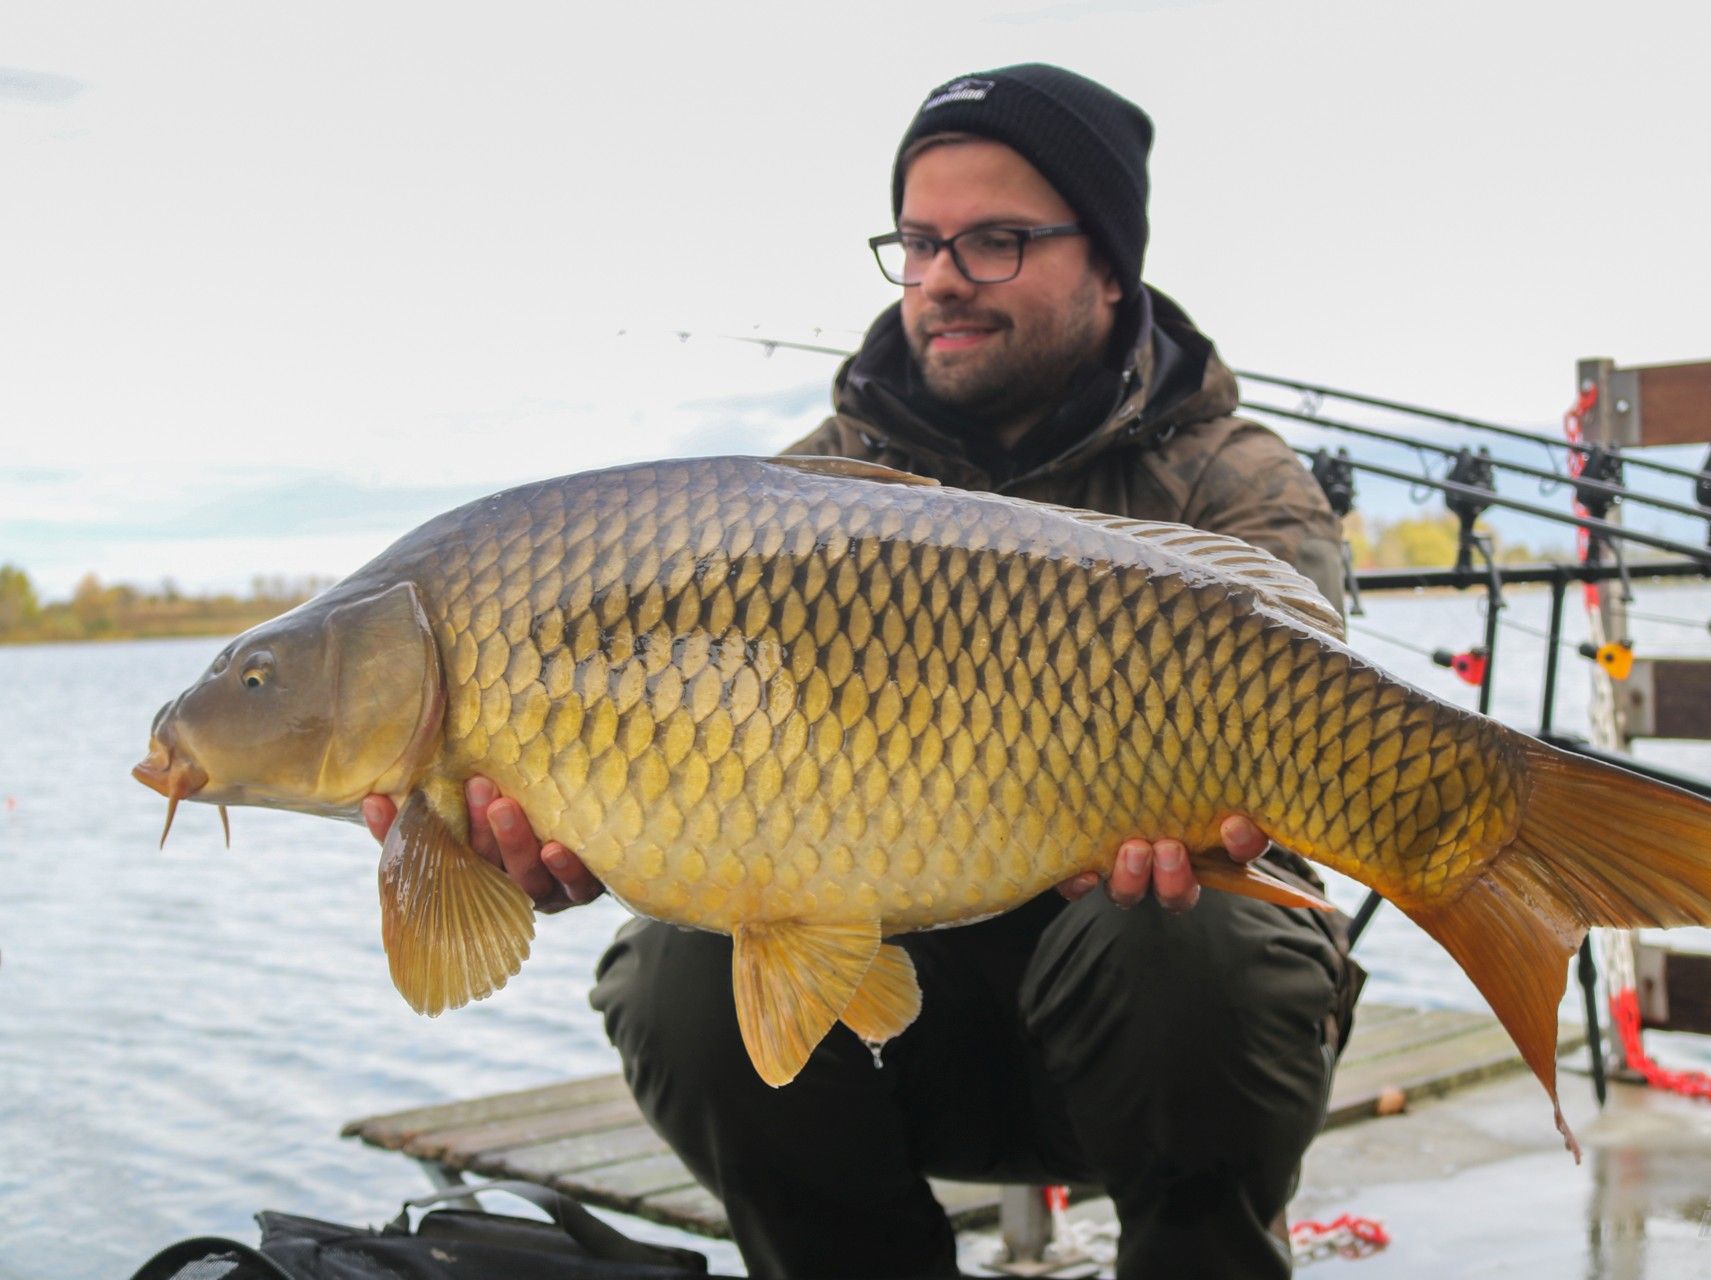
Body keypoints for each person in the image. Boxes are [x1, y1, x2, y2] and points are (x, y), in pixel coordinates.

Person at [366, 63, 1357, 1279]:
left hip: (1156, 1040)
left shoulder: (1232, 483)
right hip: (904, 1034)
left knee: (1178, 934)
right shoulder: (792, 497)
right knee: (678, 960)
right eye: (922, 241)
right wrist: (585, 838)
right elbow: (685, 756)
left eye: (995, 242)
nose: (941, 278)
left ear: (1109, 264)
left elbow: (1308, 746)